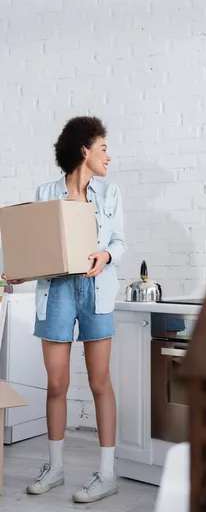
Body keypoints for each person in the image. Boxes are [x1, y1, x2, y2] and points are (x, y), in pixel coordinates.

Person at [2, 116, 127, 503]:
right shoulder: (45, 192)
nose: (109, 155)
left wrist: (105, 254)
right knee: (56, 384)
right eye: (103, 148)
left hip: (96, 290)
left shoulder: (110, 194)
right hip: (56, 290)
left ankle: (107, 473)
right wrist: (20, 270)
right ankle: (54, 468)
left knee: (99, 382)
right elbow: (33, 242)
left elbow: (119, 242)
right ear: (84, 150)